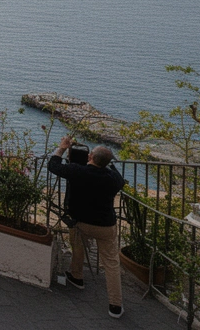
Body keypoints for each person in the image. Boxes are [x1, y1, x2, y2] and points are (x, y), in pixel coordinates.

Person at [48, 136, 128, 319]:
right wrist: (107, 162)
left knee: (77, 244)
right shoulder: (113, 178)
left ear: (90, 157)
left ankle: (77, 276)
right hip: (105, 225)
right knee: (111, 263)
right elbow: (118, 178)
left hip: (81, 222)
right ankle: (115, 305)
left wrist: (61, 148)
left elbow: (54, 166)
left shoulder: (78, 171)